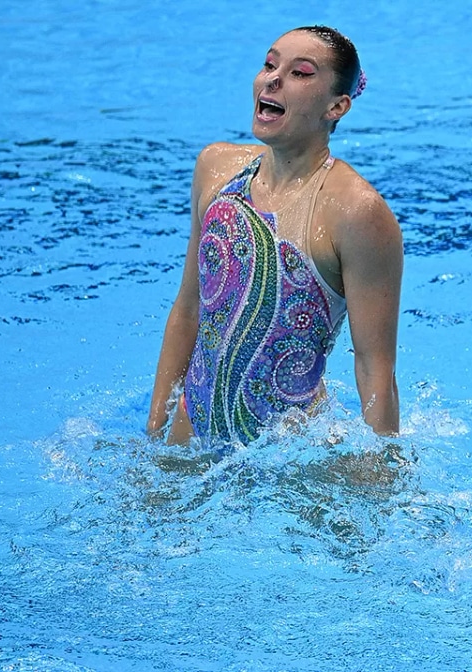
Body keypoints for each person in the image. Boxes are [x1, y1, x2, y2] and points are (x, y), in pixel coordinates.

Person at [146, 25, 403, 446]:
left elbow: (375, 366)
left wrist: (383, 471)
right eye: (269, 64)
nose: (273, 78)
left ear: (336, 106)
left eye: (301, 72)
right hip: (191, 433)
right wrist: (154, 432)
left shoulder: (356, 212)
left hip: (288, 458)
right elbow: (189, 308)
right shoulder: (216, 169)